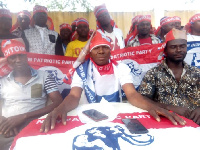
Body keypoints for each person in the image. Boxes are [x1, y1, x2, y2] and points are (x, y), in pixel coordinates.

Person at [40, 31, 186, 133]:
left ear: (110, 51)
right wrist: (60, 109)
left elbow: (132, 94)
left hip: (115, 114)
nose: (101, 51)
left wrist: (152, 107)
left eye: (105, 48)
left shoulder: (121, 67)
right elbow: (73, 96)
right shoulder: (82, 70)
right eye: (97, 48)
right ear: (90, 53)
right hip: (88, 115)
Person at [0, 38, 63, 150]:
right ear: (8, 60)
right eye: (13, 57)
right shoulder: (2, 81)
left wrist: (24, 116)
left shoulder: (44, 76)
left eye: (21, 55)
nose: (18, 60)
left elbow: (58, 102)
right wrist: (3, 121)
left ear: (26, 56)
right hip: (7, 127)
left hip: (36, 125)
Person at [138, 28, 200, 124]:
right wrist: (169, 107)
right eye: (173, 47)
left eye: (182, 46)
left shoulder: (197, 72)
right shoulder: (153, 73)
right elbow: (142, 100)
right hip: (167, 124)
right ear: (166, 49)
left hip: (196, 123)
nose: (178, 50)